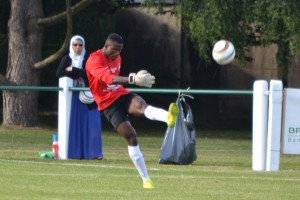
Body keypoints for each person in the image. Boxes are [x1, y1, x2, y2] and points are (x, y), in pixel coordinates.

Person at [85, 33, 179, 189]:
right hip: (108, 104)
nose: (116, 54)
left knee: (142, 105)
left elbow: (117, 83)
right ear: (106, 46)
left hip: (121, 94)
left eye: (119, 51)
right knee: (131, 136)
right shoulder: (93, 61)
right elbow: (109, 79)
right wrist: (133, 79)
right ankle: (146, 179)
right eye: (114, 50)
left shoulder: (118, 58)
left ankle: (168, 117)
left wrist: (135, 78)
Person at [56, 35, 103, 160]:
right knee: (74, 124)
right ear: (71, 46)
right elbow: (59, 73)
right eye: (75, 45)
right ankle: (75, 153)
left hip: (89, 97)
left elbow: (90, 74)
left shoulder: (89, 58)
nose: (77, 47)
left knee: (93, 124)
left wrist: (72, 69)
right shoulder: (67, 58)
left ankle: (95, 154)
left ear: (84, 46)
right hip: (73, 97)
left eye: (80, 45)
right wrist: (79, 71)